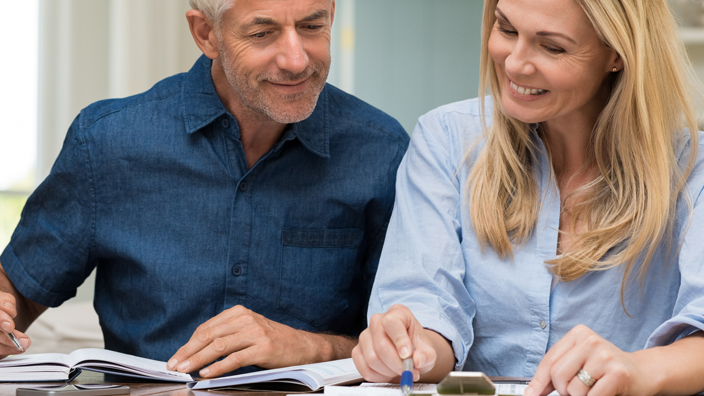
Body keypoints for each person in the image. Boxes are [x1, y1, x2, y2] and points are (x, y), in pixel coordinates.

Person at [0, 0, 409, 379]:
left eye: (311, 26)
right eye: (262, 33)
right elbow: (22, 290)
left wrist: (306, 348)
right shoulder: (107, 141)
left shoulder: (381, 150)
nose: (296, 59)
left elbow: (408, 342)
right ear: (206, 33)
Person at [352, 0, 704, 395]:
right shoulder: (447, 140)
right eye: (506, 29)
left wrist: (637, 369)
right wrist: (411, 347)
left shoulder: (694, 170)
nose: (515, 64)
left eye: (552, 47)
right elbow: (428, 310)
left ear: (617, 55)